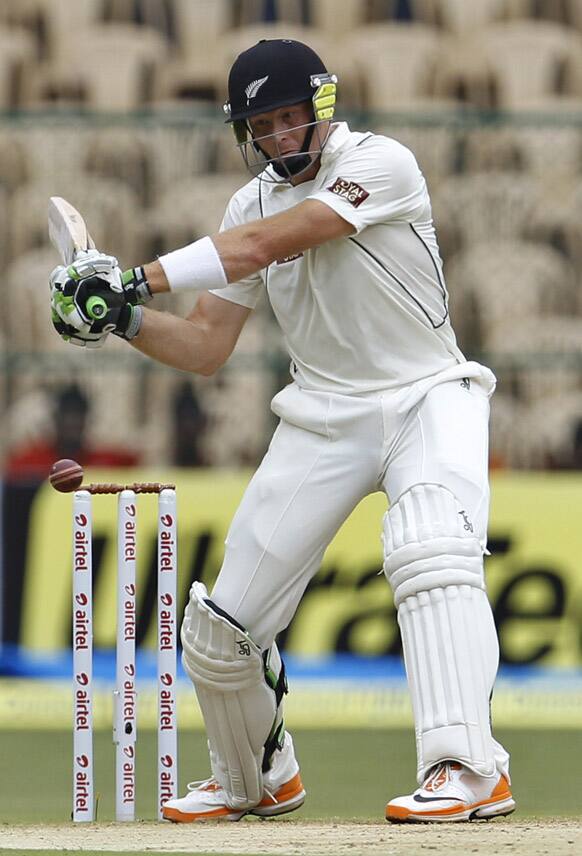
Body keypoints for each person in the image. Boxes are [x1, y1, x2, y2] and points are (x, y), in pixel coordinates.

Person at [49, 39, 514, 824]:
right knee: (219, 630)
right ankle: (255, 781)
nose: (278, 137)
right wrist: (123, 317)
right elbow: (204, 346)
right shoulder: (246, 205)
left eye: (290, 118)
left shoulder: (384, 163)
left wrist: (135, 276)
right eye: (262, 125)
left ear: (320, 109)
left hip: (429, 396)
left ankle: (469, 767)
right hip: (323, 417)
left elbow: (271, 243)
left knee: (431, 549)